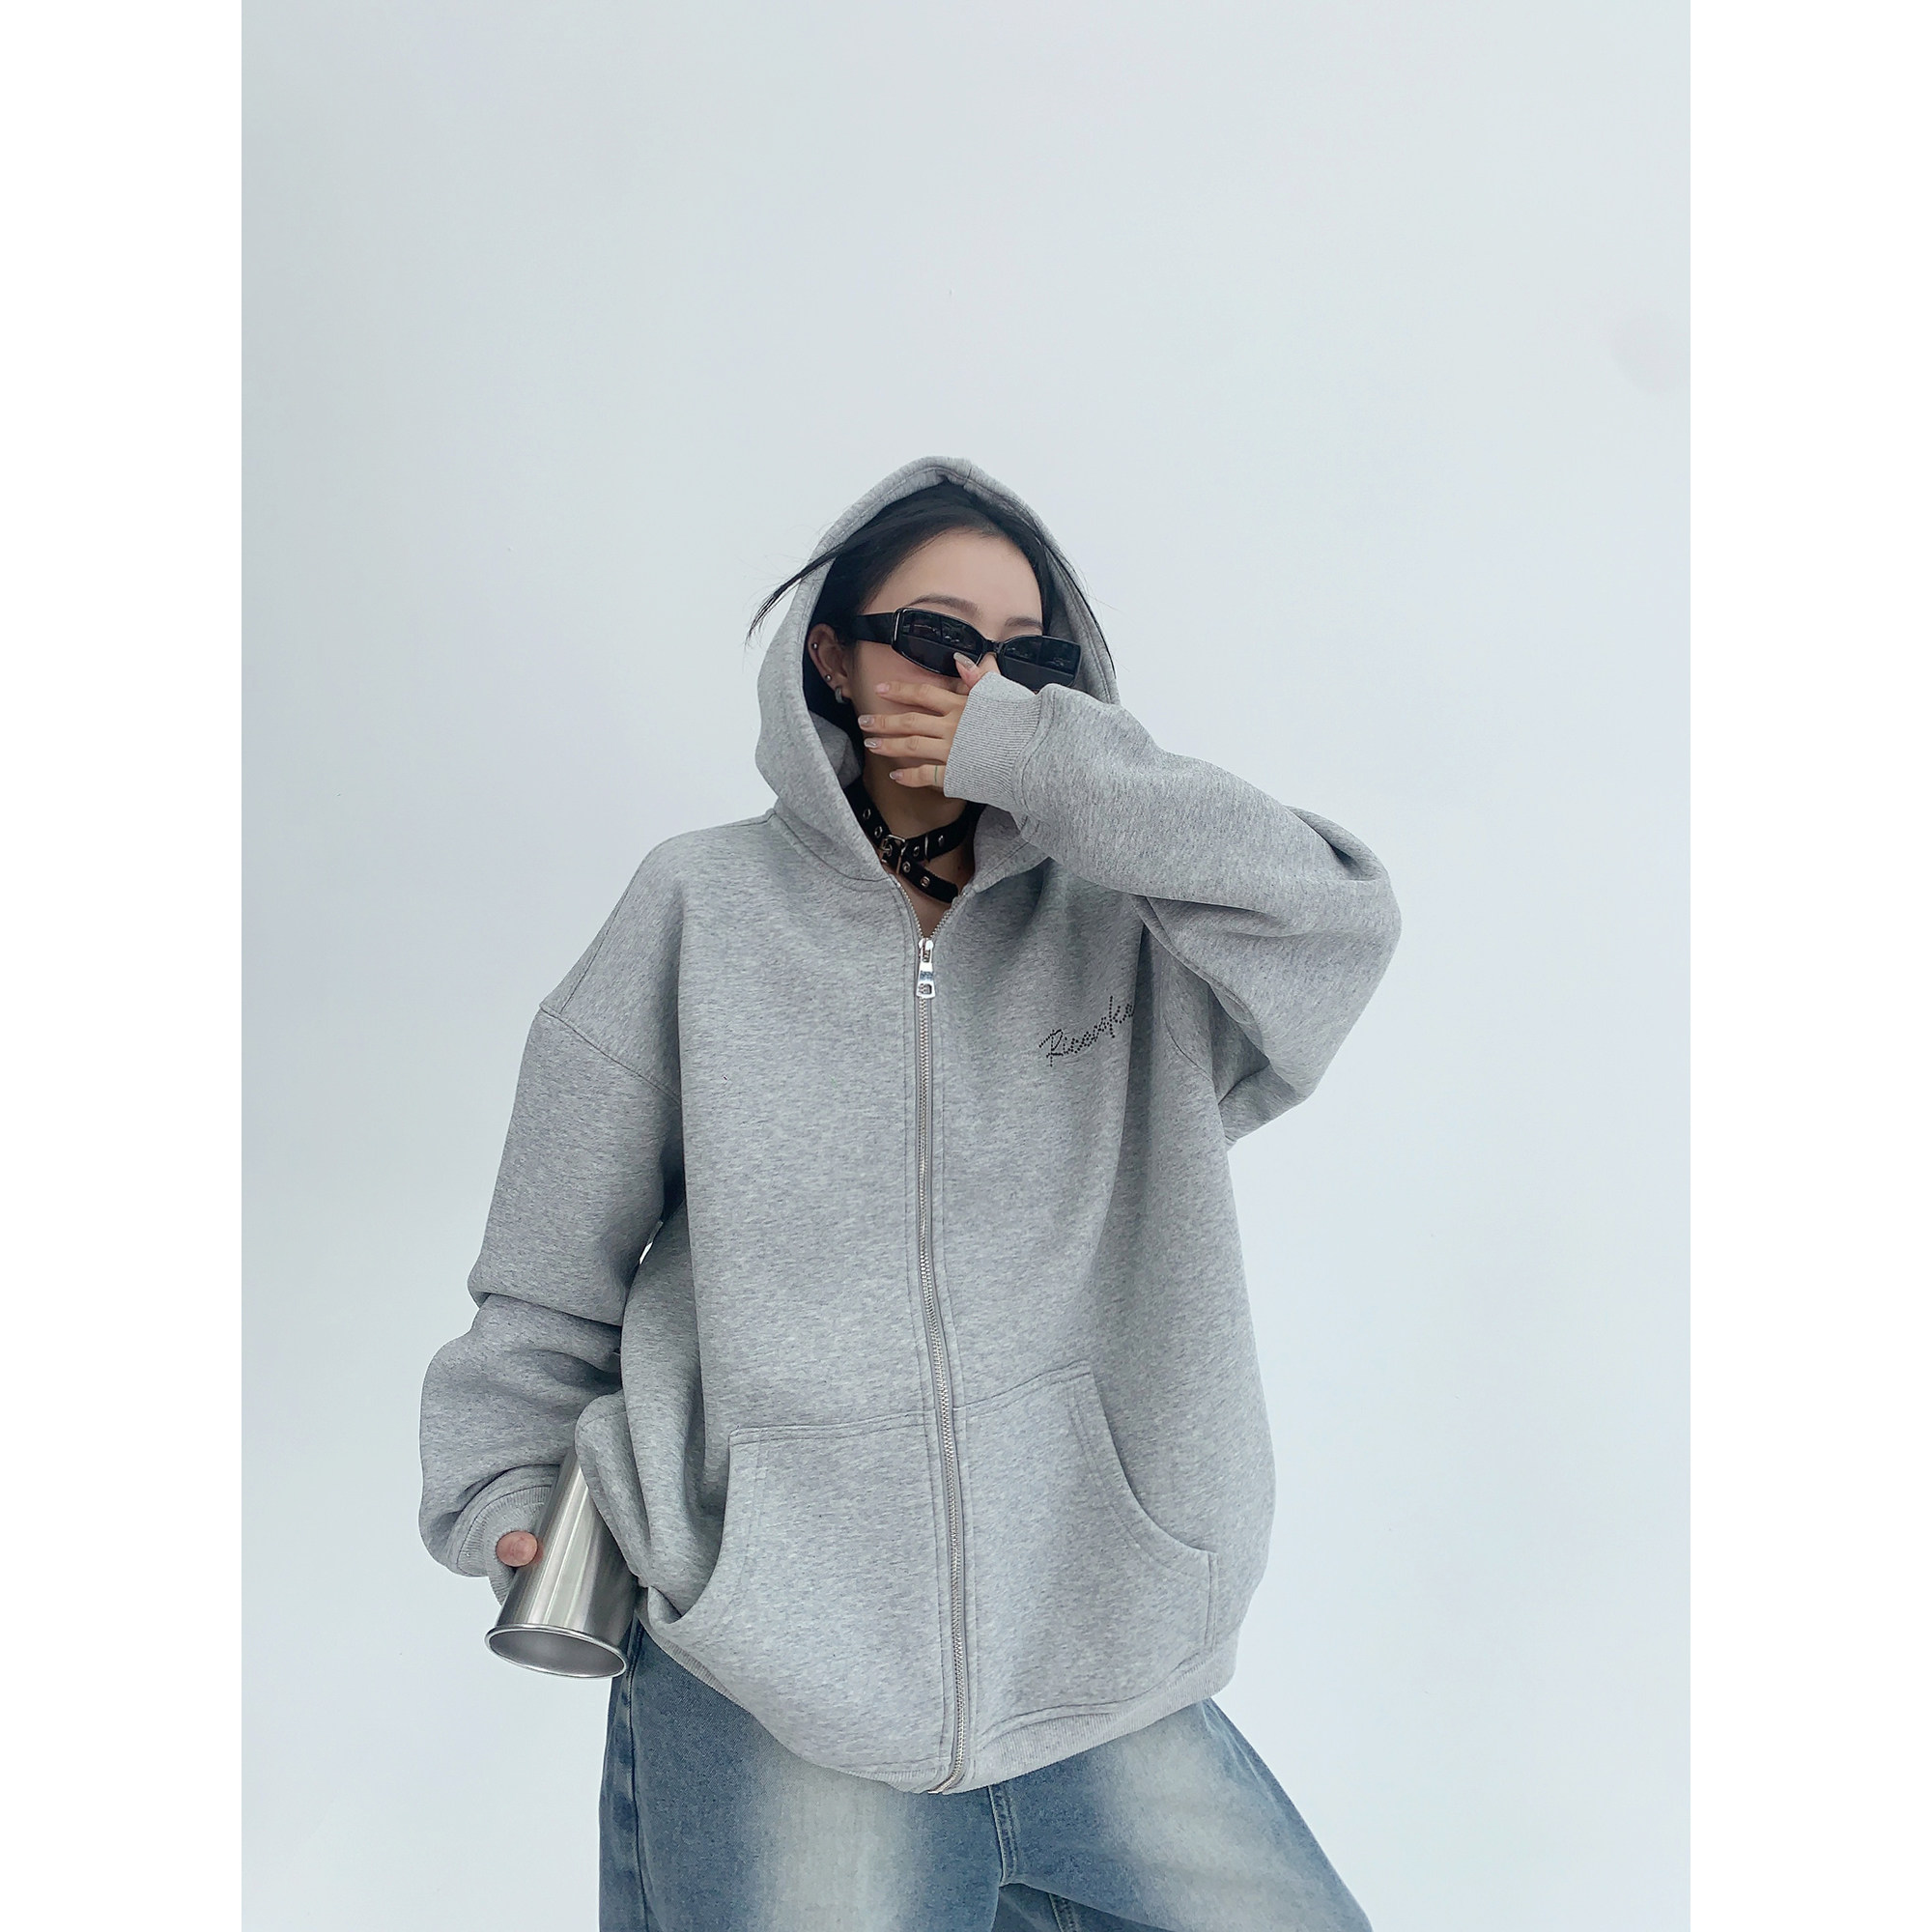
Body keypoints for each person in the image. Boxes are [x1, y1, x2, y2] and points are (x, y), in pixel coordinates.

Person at [418, 457, 1402, 1930]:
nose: (977, 686)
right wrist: (505, 1491)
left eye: (1030, 663)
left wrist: (1053, 763)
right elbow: (548, 1273)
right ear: (833, 654)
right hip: (781, 1681)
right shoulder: (698, 908)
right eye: (936, 640)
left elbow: (1334, 924)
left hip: (1102, 1666)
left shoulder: (1136, 926)